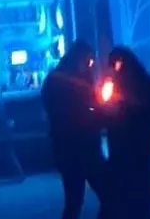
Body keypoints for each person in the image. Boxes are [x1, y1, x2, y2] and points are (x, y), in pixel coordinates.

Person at [42, 39, 107, 219]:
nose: (90, 65)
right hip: (82, 147)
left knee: (74, 201)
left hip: (67, 148)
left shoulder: (54, 79)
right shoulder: (75, 82)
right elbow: (87, 110)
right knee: (105, 194)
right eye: (88, 61)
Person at [104, 46, 150, 219]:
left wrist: (125, 109)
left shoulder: (149, 88)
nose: (114, 71)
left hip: (141, 158)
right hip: (122, 160)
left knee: (140, 209)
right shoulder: (117, 88)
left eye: (115, 65)